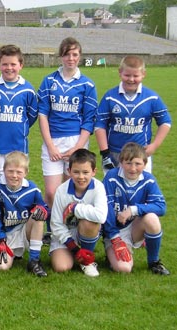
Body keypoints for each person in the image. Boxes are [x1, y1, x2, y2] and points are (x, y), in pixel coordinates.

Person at [37, 37, 98, 243]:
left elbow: (89, 120)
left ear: (79, 56)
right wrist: (51, 145)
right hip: (52, 141)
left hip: (76, 141)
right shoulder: (49, 81)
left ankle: (70, 229)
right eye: (67, 54)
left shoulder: (87, 84)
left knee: (71, 191)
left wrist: (77, 148)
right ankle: (53, 230)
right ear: (61, 55)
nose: (71, 58)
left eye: (75, 54)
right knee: (52, 192)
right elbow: (43, 114)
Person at [95, 55, 171, 174]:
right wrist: (105, 153)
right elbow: (100, 125)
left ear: (143, 74)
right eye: (127, 75)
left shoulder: (151, 97)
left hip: (141, 155)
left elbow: (165, 122)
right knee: (113, 190)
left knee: (140, 191)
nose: (131, 79)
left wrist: (155, 145)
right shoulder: (110, 97)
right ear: (120, 73)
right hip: (114, 154)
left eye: (136, 76)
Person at [102, 142, 169, 275]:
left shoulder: (149, 180)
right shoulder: (111, 177)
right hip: (115, 231)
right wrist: (115, 238)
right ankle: (111, 254)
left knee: (152, 219)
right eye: (128, 163)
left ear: (144, 164)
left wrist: (132, 210)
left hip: (135, 228)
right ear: (121, 162)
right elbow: (106, 209)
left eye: (138, 164)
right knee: (124, 269)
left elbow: (161, 207)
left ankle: (154, 262)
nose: (133, 168)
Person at [49, 149, 107, 277]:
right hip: (66, 234)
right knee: (61, 267)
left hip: (85, 230)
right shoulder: (61, 190)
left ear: (94, 172)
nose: (81, 177)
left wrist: (75, 208)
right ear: (69, 171)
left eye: (85, 172)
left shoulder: (98, 187)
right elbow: (56, 224)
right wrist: (74, 248)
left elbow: (101, 216)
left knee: (90, 222)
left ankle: (87, 260)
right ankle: (77, 254)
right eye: (76, 172)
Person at [0, 151, 49, 276]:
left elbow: (44, 208)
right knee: (1, 267)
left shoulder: (32, 189)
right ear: (3, 170)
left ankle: (34, 260)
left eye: (19, 172)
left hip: (24, 230)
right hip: (6, 235)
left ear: (25, 173)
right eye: (10, 171)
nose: (14, 175)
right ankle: (8, 250)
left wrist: (43, 209)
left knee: (39, 215)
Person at [0, 44, 38, 179]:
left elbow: (31, 116)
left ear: (21, 65)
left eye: (13, 64)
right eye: (5, 64)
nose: (9, 68)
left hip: (18, 148)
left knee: (16, 184)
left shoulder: (28, 90)